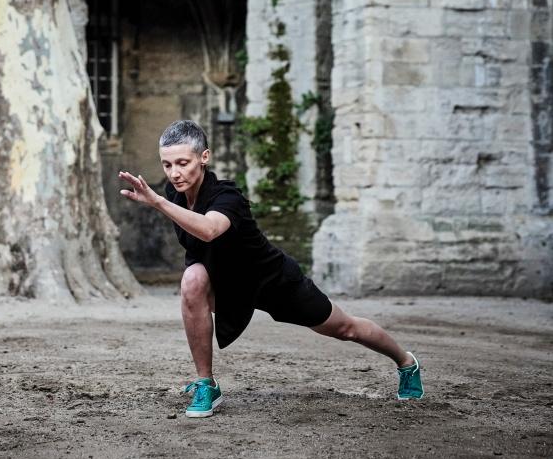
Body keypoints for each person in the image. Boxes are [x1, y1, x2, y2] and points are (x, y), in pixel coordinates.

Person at [118, 119, 424, 418]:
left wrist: (157, 202)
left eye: (183, 163)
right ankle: (206, 384)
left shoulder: (228, 197)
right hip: (227, 285)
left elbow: (210, 230)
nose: (174, 173)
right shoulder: (176, 195)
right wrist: (164, 201)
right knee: (192, 279)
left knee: (345, 328)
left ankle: (406, 361)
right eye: (167, 165)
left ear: (204, 157)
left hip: (272, 281)